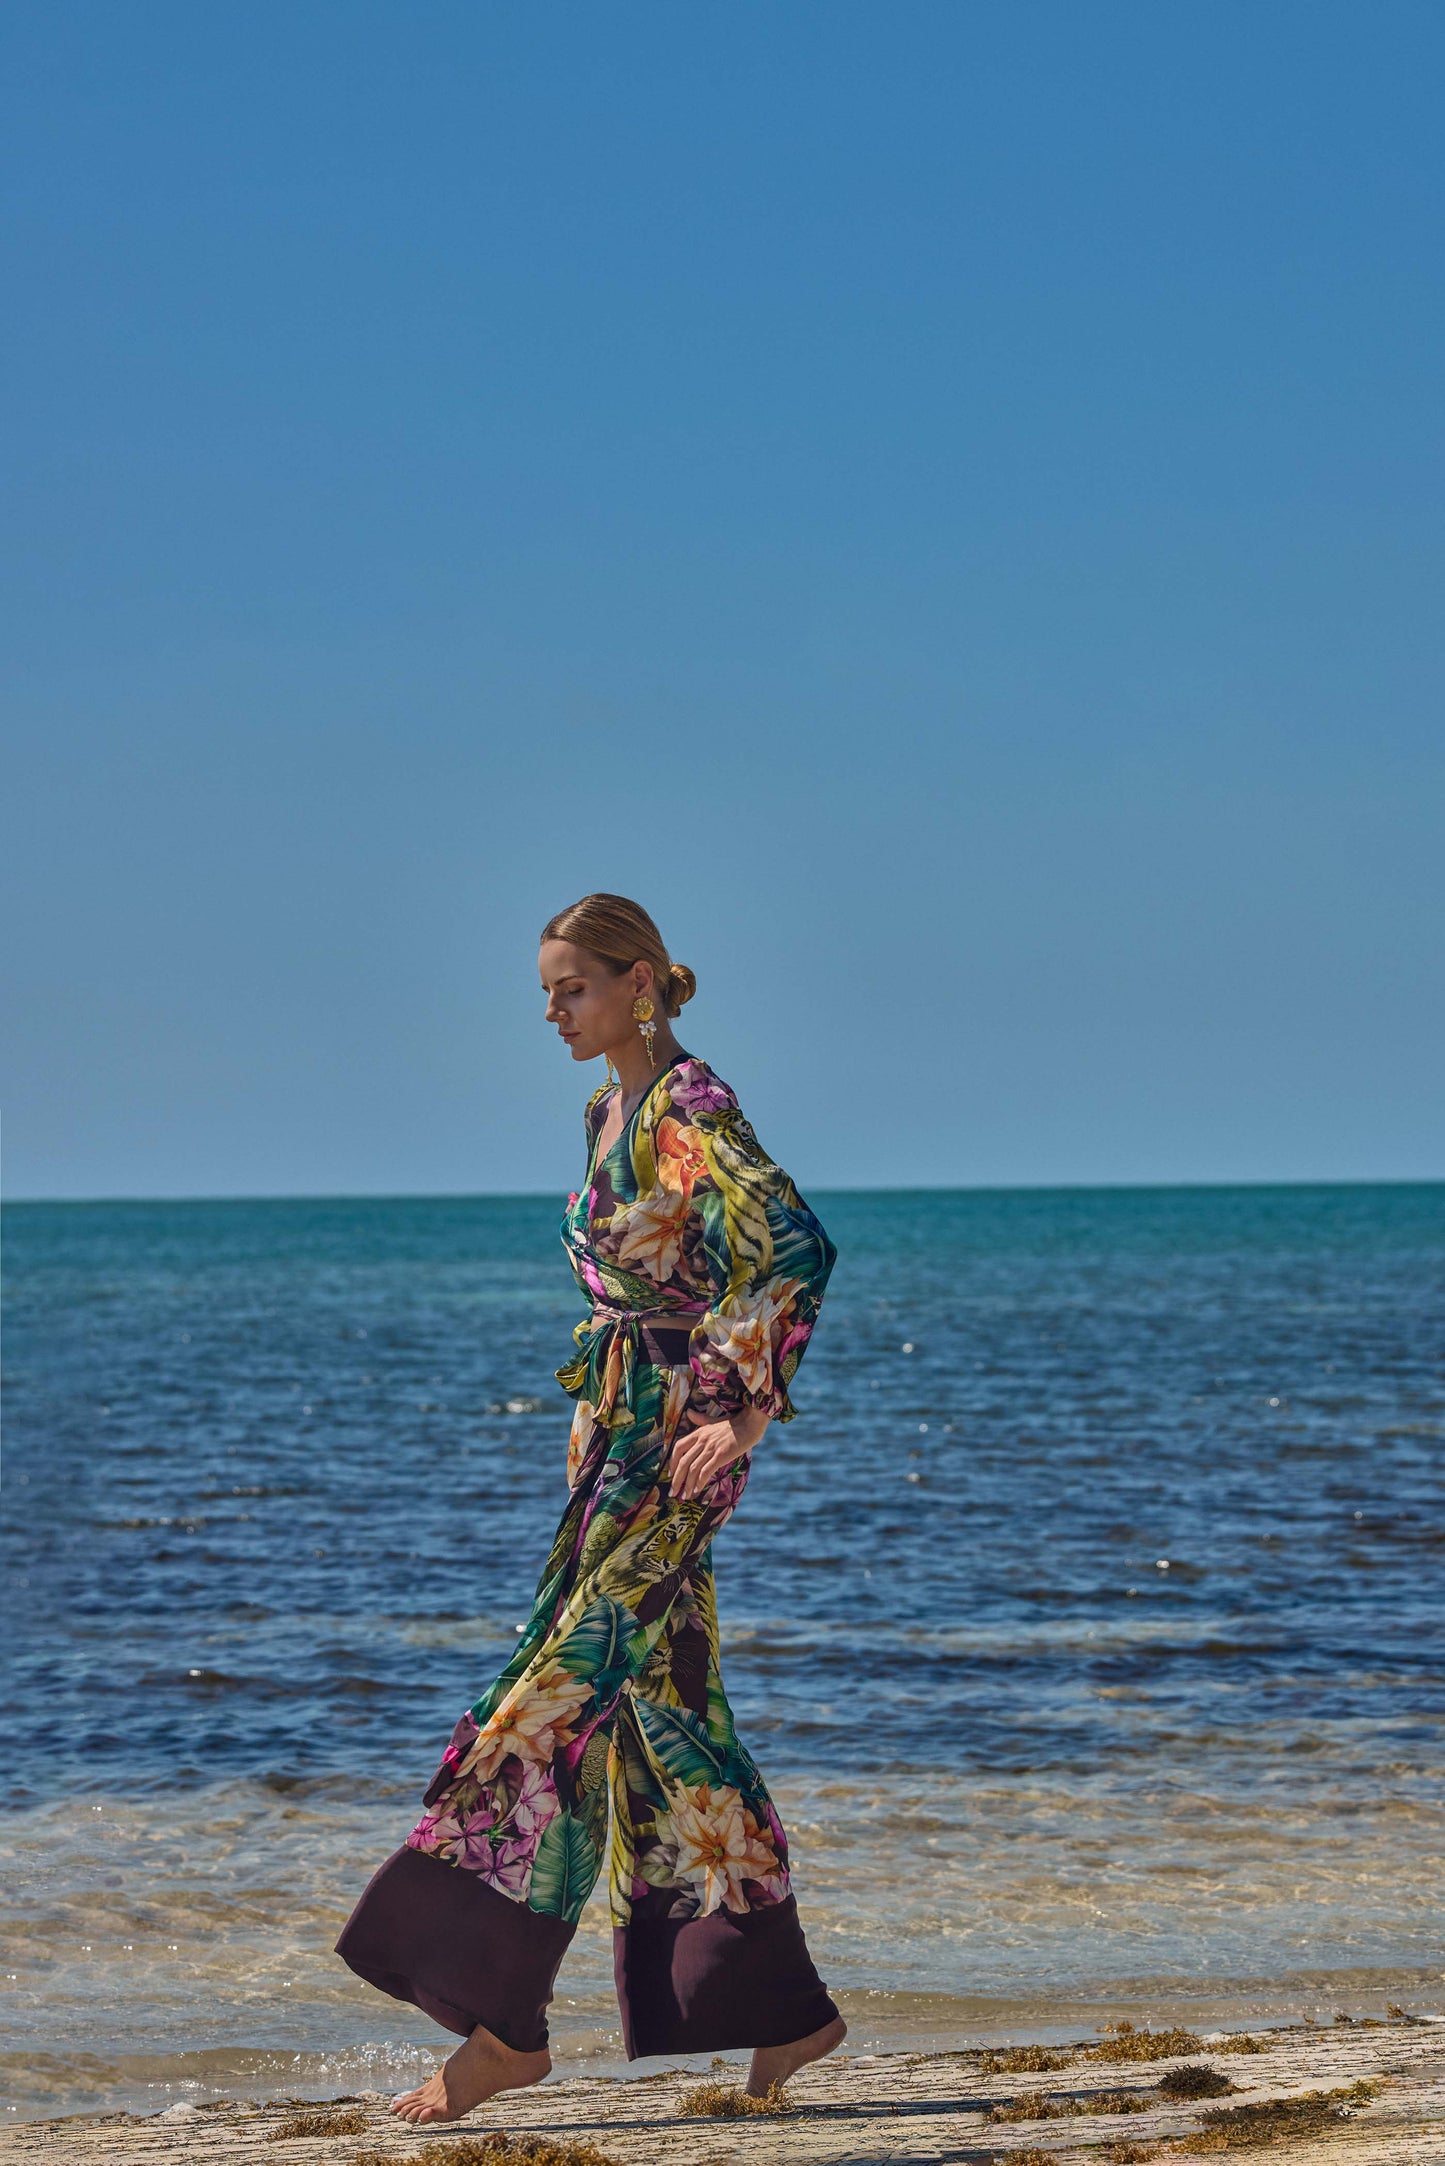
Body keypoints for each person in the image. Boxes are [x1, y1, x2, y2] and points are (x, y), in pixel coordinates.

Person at [335, 892, 845, 2127]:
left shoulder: (690, 1105)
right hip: (620, 1441)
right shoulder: (605, 1109)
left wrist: (740, 1412)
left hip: (675, 1452)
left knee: (551, 1694)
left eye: (571, 987)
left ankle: (503, 2027)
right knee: (670, 1713)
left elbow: (791, 1246)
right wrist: (597, 1395)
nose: (552, 1011)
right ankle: (780, 2010)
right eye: (548, 990)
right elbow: (643, 1281)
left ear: (638, 985)